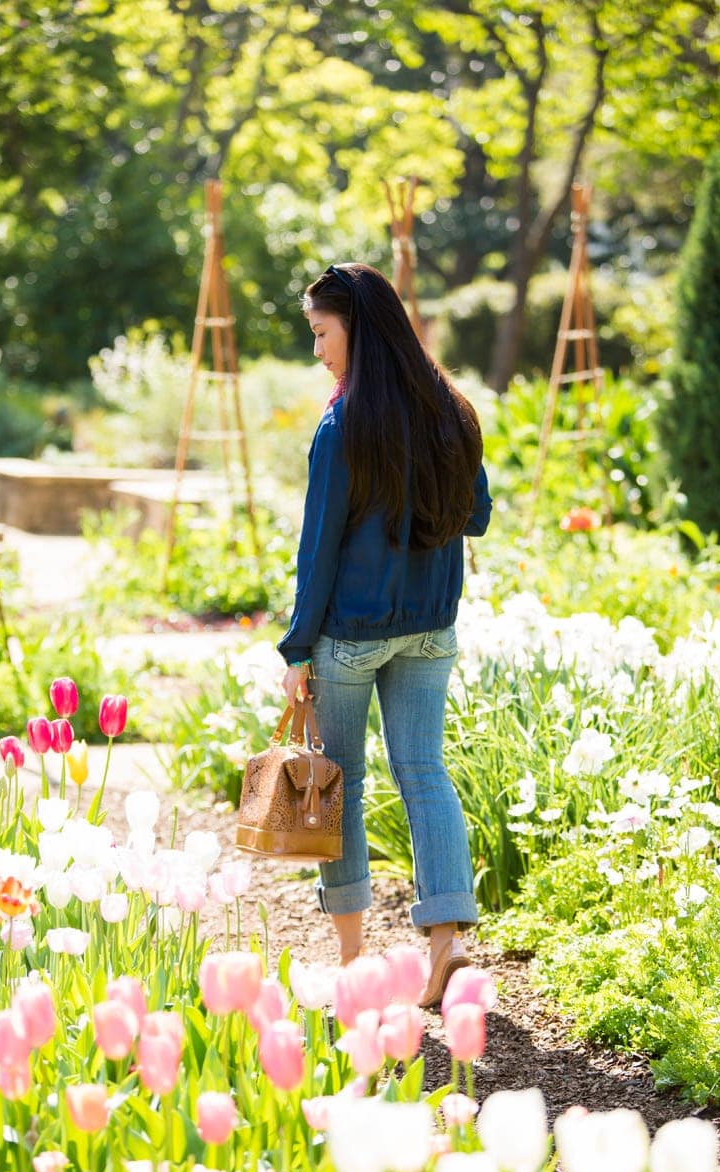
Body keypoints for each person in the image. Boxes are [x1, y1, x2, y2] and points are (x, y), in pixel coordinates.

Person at [278, 263, 492, 1006]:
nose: (318, 351)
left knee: (341, 786)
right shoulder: (452, 410)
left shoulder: (342, 426)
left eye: (322, 333)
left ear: (357, 329)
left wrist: (297, 646)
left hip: (353, 635)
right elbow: (476, 515)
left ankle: (352, 962)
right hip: (432, 628)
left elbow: (320, 547)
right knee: (425, 774)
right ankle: (446, 943)